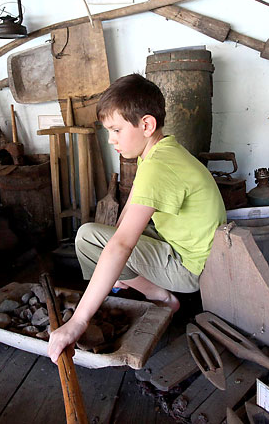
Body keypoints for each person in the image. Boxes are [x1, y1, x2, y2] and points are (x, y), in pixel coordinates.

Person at [48, 74, 225, 363]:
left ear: (146, 125)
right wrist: (118, 269)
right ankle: (124, 289)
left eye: (116, 130)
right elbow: (125, 218)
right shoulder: (158, 151)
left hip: (190, 268)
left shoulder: (158, 166)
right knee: (95, 238)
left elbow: (120, 245)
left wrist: (77, 322)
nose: (111, 140)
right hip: (182, 247)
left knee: (92, 240)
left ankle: (163, 297)